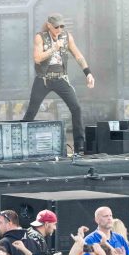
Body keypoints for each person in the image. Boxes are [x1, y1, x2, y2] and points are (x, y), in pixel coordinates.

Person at [21, 13, 94, 154]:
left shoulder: (66, 36)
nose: (59, 29)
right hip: (44, 79)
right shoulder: (40, 37)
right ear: (49, 25)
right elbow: (37, 58)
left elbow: (78, 55)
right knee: (31, 111)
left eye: (62, 26)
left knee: (76, 108)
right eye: (56, 27)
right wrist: (54, 48)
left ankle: (79, 145)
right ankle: (21, 144)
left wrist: (88, 73)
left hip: (61, 78)